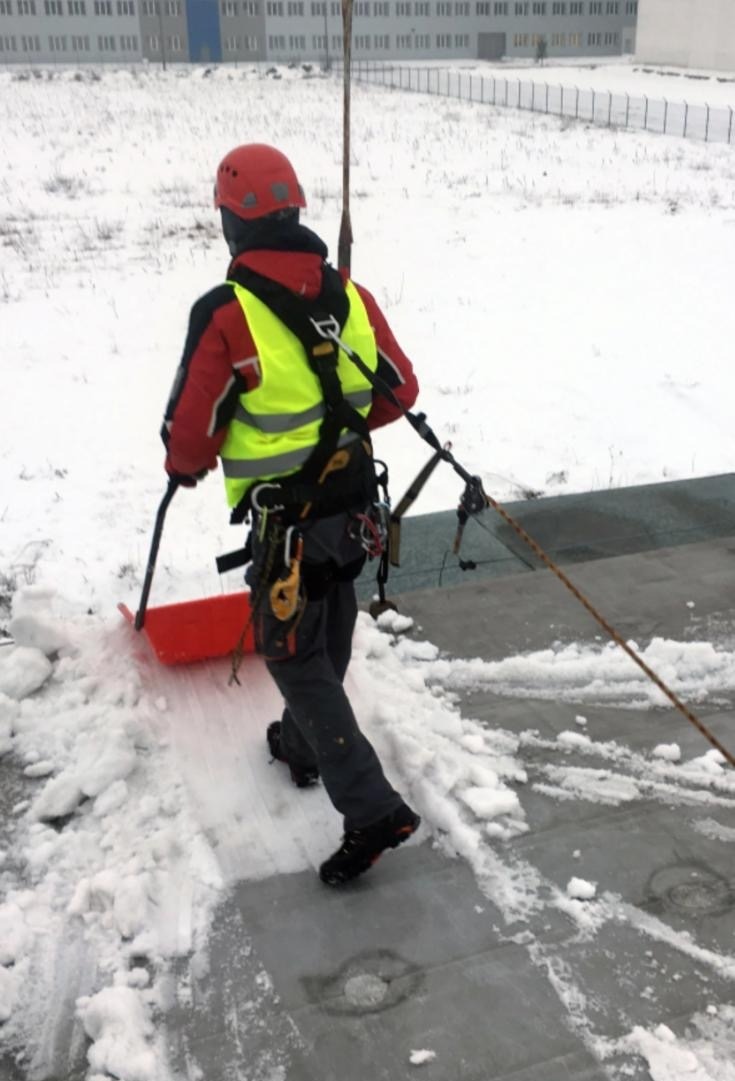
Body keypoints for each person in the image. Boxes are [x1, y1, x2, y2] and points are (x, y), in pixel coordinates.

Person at [161, 143, 421, 886]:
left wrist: (185, 467)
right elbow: (397, 390)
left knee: (293, 654)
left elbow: (191, 433)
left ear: (230, 225)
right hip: (353, 515)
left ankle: (370, 808)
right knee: (328, 620)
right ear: (294, 212)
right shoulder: (352, 297)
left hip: (288, 529)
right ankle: (303, 748)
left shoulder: (225, 313)